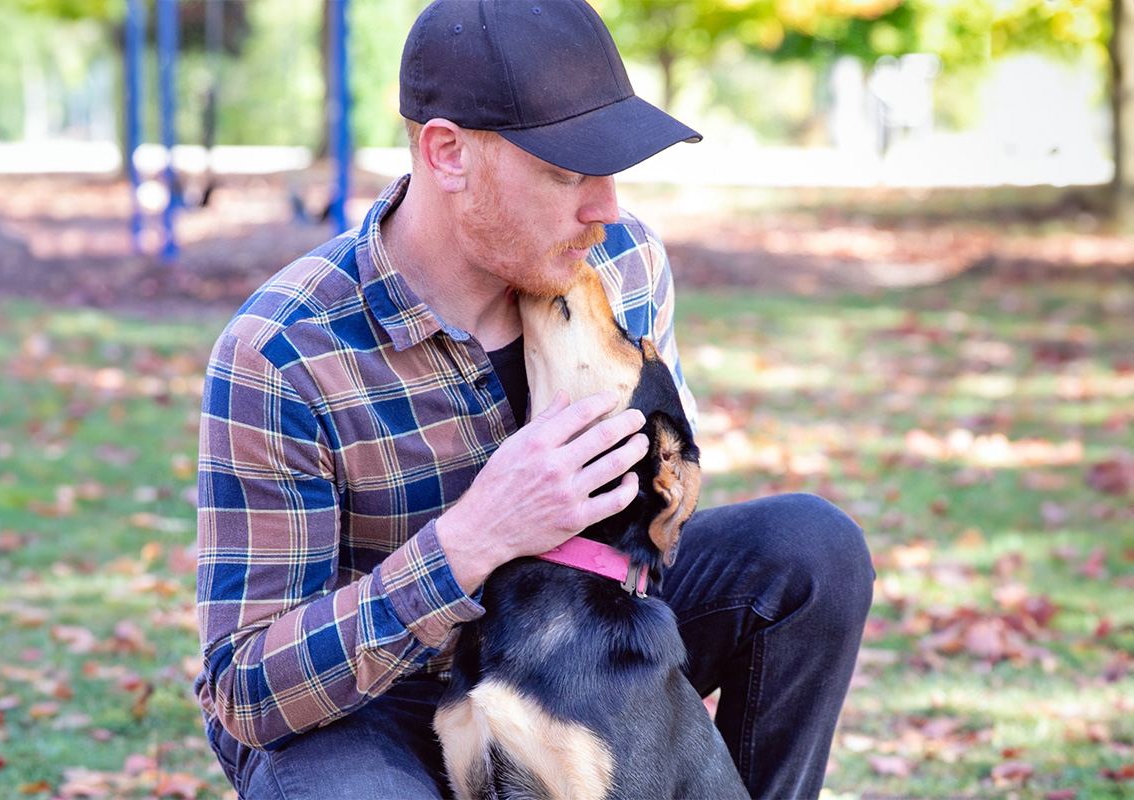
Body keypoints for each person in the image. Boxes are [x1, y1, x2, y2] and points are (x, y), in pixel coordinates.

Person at [194, 1, 874, 798]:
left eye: (612, 168)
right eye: (565, 172)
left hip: (572, 639)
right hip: (373, 700)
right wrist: (470, 542)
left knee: (811, 551)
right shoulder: (282, 352)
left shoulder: (620, 262)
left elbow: (650, 519)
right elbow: (244, 691)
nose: (606, 209)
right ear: (447, 154)